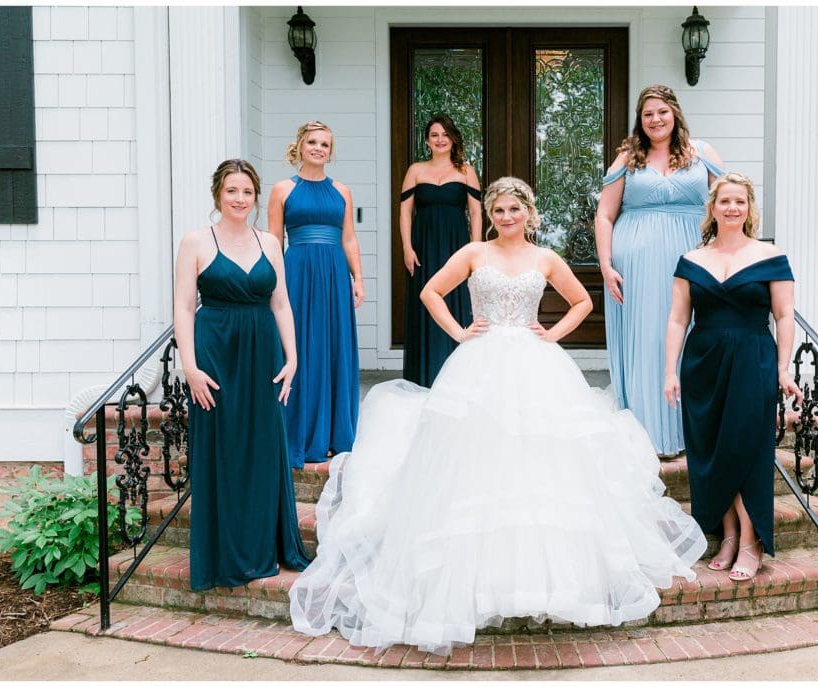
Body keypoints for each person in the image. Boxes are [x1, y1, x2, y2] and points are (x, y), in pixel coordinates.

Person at [289, 177, 706, 655]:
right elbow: (430, 292)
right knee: (474, 459)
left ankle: (539, 578)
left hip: (535, 362)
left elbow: (583, 302)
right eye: (499, 211)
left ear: (528, 211)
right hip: (479, 362)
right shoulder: (473, 253)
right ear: (491, 215)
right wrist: (460, 331)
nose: (507, 218)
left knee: (539, 461)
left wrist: (552, 334)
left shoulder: (545, 258)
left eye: (514, 209)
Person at [174, 159, 311, 590]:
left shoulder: (270, 242)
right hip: (216, 353)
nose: (240, 199)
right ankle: (225, 554)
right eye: (232, 191)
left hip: (263, 353)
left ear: (255, 196)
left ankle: (265, 546)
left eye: (247, 192)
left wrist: (292, 358)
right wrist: (190, 367)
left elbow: (281, 304)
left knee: (263, 446)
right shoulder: (196, 241)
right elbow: (182, 308)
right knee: (224, 448)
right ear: (218, 194)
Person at [663, 172, 802, 582]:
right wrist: (670, 371)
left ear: (749, 208)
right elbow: (676, 319)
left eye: (739, 201)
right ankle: (727, 535)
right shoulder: (691, 259)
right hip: (702, 361)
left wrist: (782, 367)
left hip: (752, 359)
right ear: (713, 207)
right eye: (725, 201)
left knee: (745, 448)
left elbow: (784, 316)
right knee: (710, 451)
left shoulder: (770, 256)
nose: (732, 208)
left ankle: (750, 542)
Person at [595, 84, 724, 457]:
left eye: (662, 112)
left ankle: (691, 431)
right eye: (648, 114)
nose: (655, 120)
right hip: (635, 263)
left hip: (692, 257)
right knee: (648, 338)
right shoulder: (627, 158)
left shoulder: (702, 153)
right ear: (641, 120)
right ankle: (646, 434)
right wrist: (605, 265)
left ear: (675, 114)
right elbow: (605, 215)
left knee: (691, 337)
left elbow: (729, 203)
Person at [268, 121, 364, 467]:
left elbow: (349, 238)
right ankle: (301, 433)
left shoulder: (342, 191)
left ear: (330, 151)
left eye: (325, 144)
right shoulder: (282, 189)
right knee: (301, 345)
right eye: (313, 142)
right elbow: (274, 241)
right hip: (297, 271)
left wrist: (358, 277)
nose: (319, 148)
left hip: (335, 274)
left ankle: (335, 434)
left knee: (333, 345)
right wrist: (273, 282)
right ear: (300, 146)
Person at [399, 114, 483, 386]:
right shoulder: (415, 170)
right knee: (425, 303)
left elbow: (475, 212)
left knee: (456, 301)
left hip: (456, 246)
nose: (440, 140)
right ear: (427, 140)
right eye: (434, 135)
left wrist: (476, 249)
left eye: (445, 135)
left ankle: (458, 378)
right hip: (423, 247)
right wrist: (407, 248)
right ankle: (423, 376)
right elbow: (405, 212)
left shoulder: (466, 171)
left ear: (453, 139)